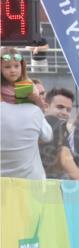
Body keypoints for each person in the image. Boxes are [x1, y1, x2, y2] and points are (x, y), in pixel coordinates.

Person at [1, 49, 51, 179]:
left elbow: (39, 110)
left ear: (22, 67)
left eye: (16, 66)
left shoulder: (28, 85)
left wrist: (37, 101)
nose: (13, 70)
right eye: (7, 67)